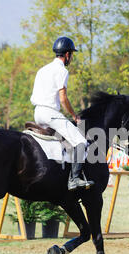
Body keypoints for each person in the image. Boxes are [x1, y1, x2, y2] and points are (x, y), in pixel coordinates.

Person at [30, 36, 94, 191]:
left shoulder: (42, 70)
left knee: (62, 139)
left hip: (37, 112)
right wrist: (74, 115)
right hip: (50, 113)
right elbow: (63, 98)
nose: (71, 58)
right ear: (67, 55)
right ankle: (74, 179)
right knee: (80, 142)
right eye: (71, 54)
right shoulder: (62, 71)